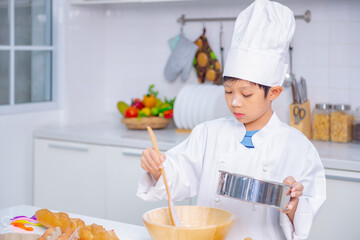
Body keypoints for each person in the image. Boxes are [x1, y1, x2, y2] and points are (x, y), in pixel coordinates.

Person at [137, 0, 326, 239]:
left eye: (246, 94)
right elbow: (177, 176)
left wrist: (293, 205)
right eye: (228, 91)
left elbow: (304, 221)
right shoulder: (208, 133)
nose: (235, 101)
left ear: (274, 93)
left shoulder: (297, 147)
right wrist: (157, 168)